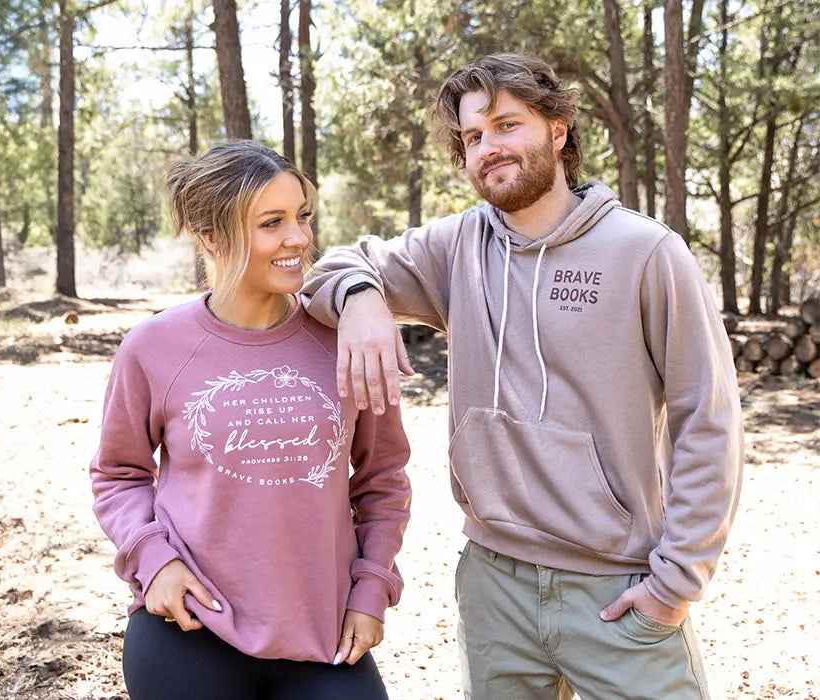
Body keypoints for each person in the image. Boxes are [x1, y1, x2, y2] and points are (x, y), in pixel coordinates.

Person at [302, 53, 743, 698]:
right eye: (473, 136)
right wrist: (363, 299)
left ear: (558, 130)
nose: (488, 148)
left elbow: (708, 419)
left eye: (507, 125)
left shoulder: (646, 252)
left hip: (618, 585)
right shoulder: (459, 247)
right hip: (494, 582)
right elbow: (331, 267)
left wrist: (674, 585)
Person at [92, 140, 412, 699]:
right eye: (272, 222)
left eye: (302, 216)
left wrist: (372, 588)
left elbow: (383, 481)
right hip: (190, 626)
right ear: (211, 236)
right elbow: (118, 475)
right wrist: (153, 559)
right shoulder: (153, 347)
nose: (299, 238)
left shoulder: (346, 342)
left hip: (323, 632)